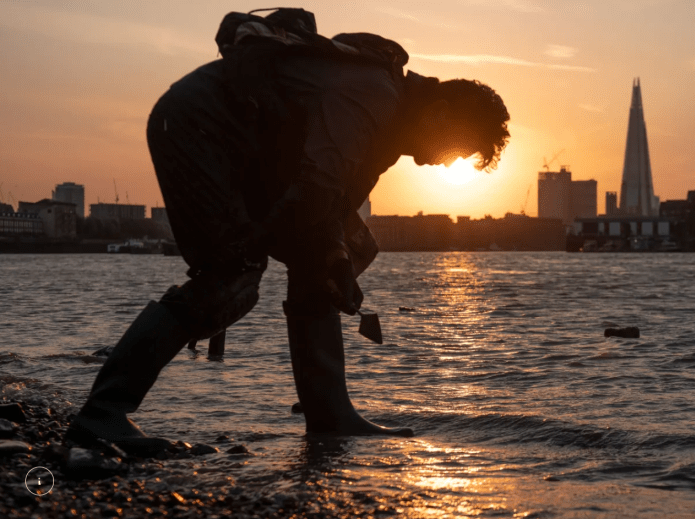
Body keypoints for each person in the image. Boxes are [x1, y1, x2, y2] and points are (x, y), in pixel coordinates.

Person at [66, 10, 509, 455]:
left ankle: (328, 416)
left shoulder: (394, 121)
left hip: (249, 157)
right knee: (232, 277)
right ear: (441, 111)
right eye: (459, 148)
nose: (450, 163)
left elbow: (327, 205)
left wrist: (332, 259)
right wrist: (306, 251)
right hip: (198, 129)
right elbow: (315, 191)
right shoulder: (375, 97)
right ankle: (102, 416)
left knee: (350, 250)